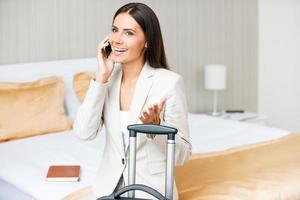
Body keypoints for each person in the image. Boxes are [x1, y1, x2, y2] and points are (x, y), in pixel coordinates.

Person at [74, 2, 191, 200]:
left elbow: (183, 155)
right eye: (114, 30)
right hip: (107, 189)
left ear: (147, 41)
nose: (117, 40)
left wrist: (157, 129)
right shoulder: (106, 80)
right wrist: (101, 78)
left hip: (151, 191)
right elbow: (84, 132)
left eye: (128, 33)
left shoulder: (169, 83)